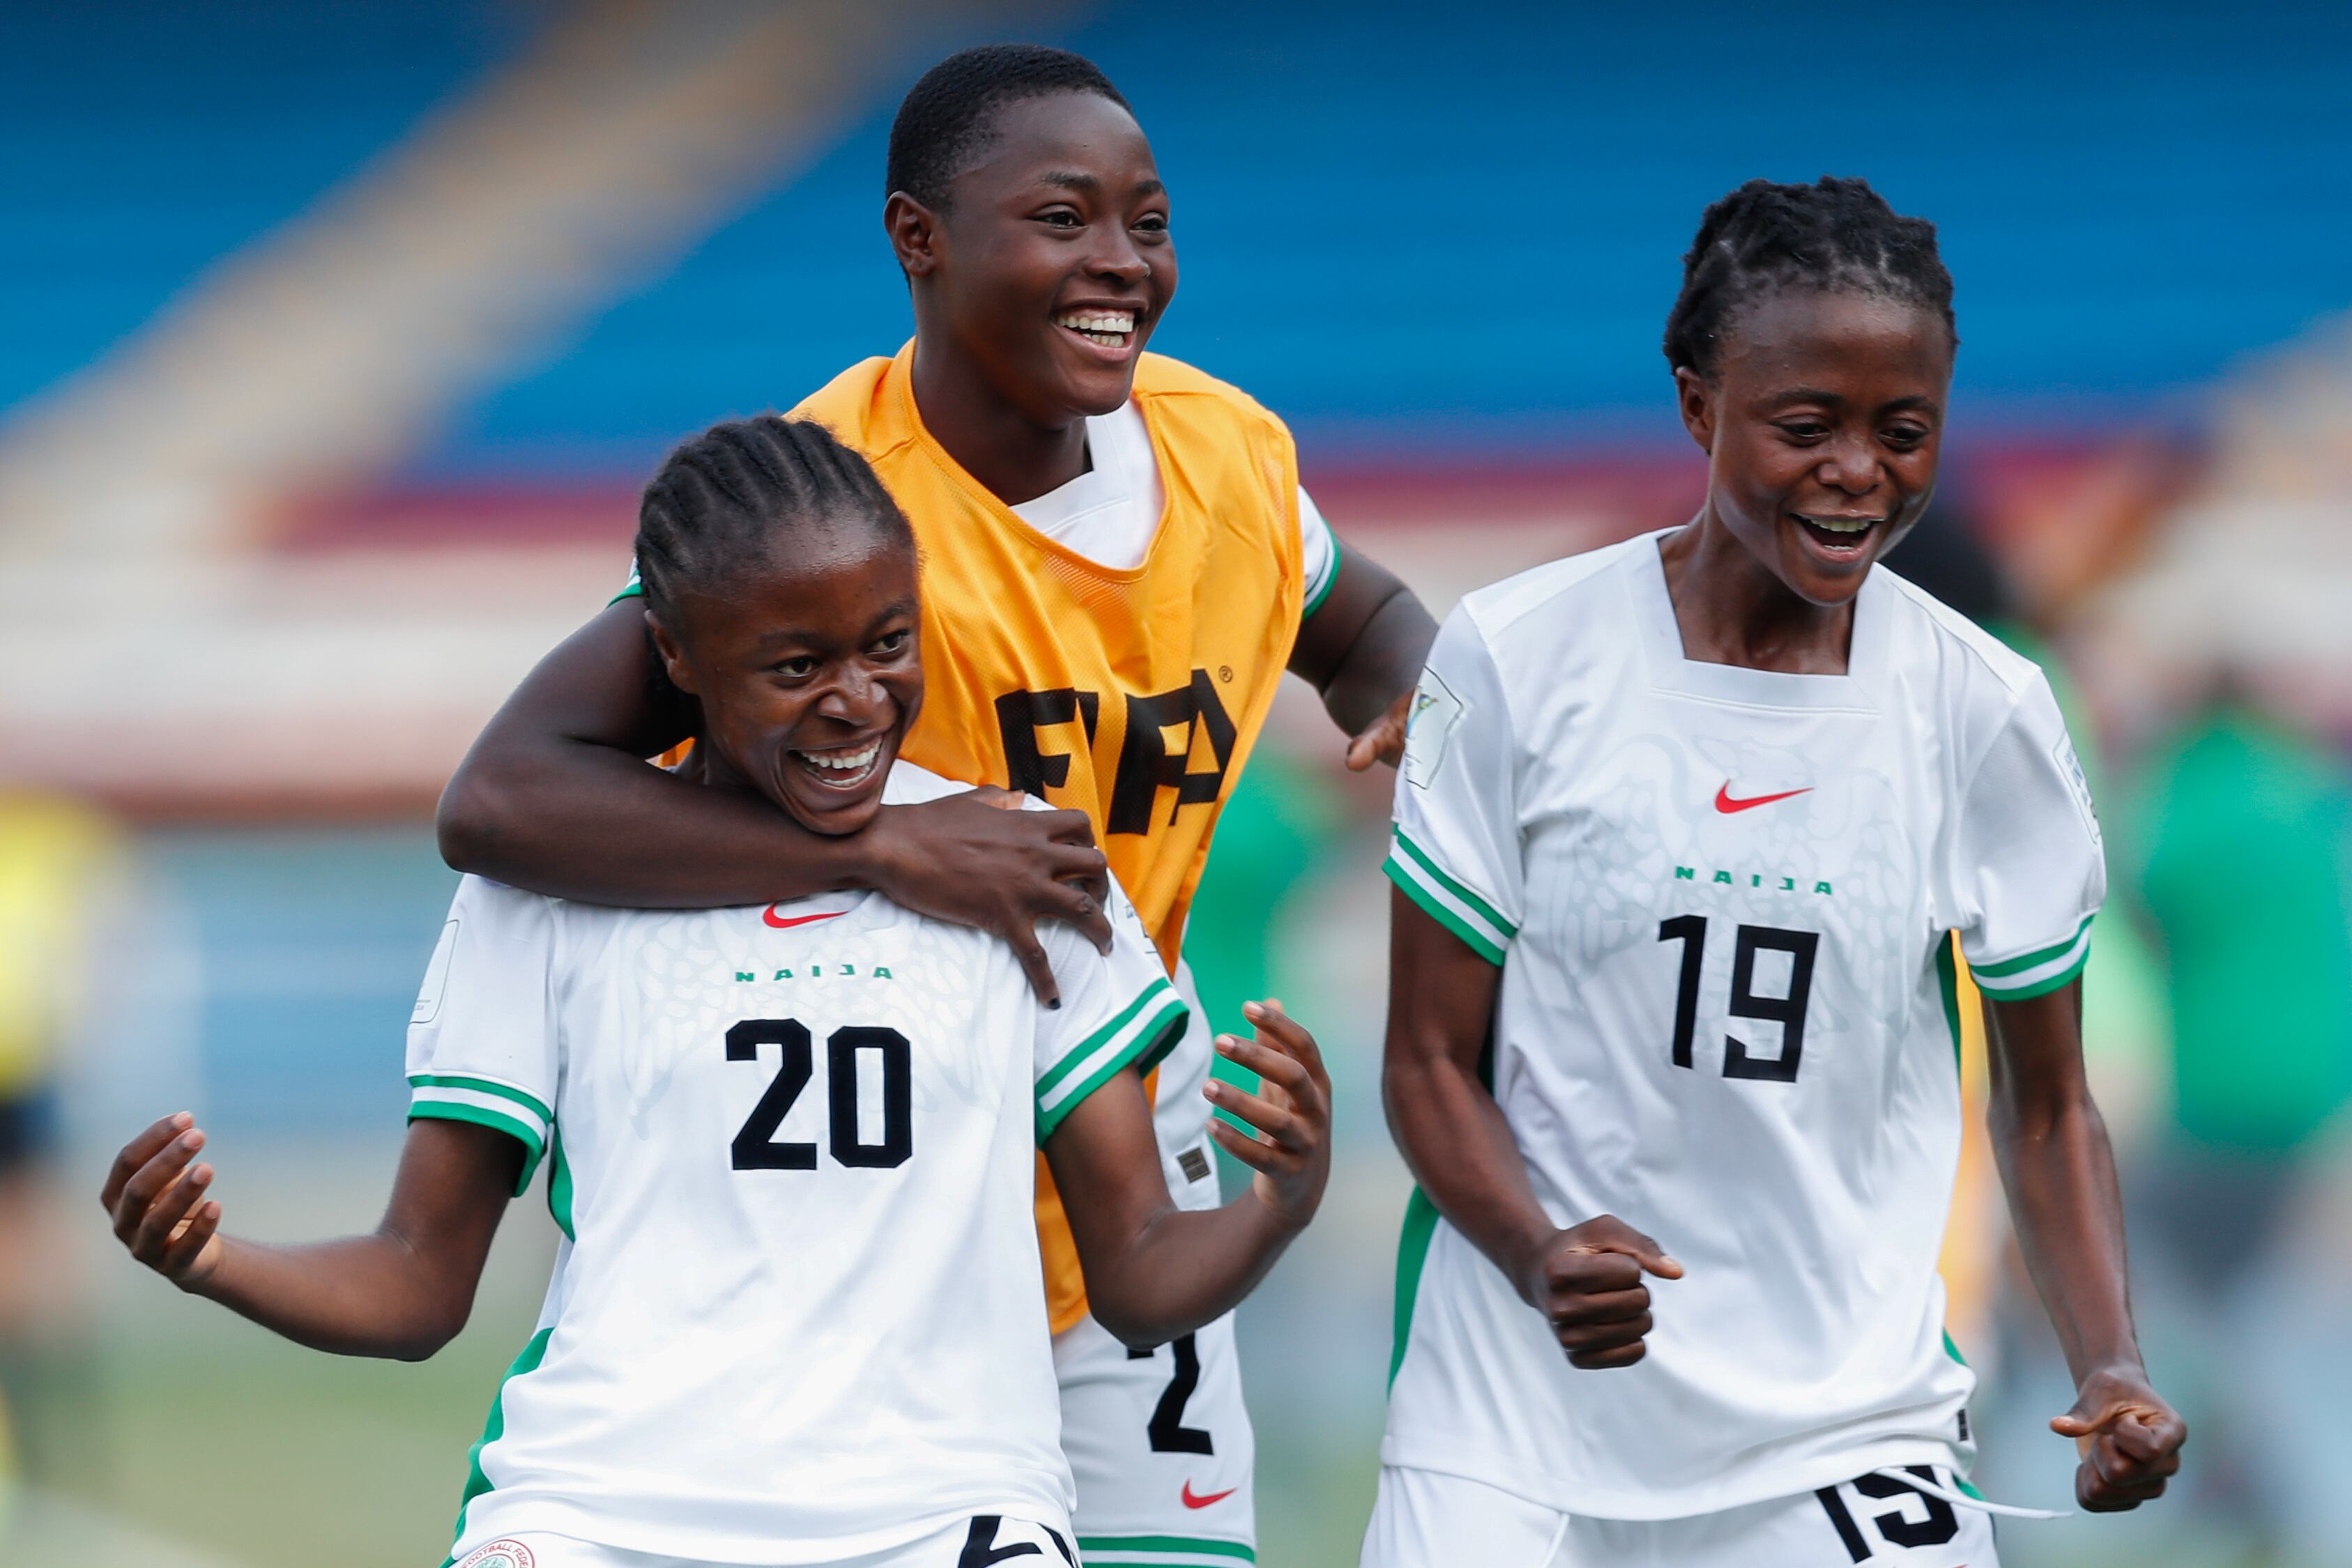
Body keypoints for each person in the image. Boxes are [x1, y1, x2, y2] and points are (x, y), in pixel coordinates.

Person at [436, 45, 1435, 1566]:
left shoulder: (1228, 459)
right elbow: (504, 794)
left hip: (1123, 1140)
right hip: (859, 1206)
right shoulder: (820, 503)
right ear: (920, 240)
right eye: (1061, 218)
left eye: (1146, 221)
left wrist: (1417, 705)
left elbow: (1363, 626)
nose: (1119, 262)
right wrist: (893, 843)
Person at [100, 419, 1332, 1568]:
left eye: (886, 643)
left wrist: (1278, 1202)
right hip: (597, 1512)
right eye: (795, 664)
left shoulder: (1023, 864)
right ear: (677, 655)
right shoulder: (545, 885)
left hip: (945, 1514)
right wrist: (215, 1261)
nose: (854, 698)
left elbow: (1134, 1270)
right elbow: (420, 1276)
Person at [1368, 177, 2186, 1567]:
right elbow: (1429, 1061)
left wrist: (2107, 1361)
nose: (1856, 470)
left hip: (1844, 1423)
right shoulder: (1518, 654)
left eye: (1902, 430)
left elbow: (2047, 1105)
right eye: (1804, 425)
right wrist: (1534, 1250)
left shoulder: (1983, 710)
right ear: (1698, 406)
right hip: (1511, 1408)